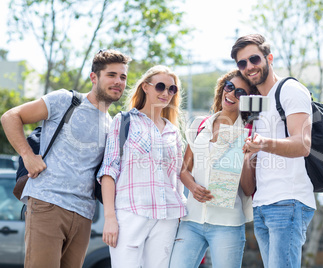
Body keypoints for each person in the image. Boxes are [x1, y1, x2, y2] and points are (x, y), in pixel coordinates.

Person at [0, 49, 131, 267]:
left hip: (84, 215)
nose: (118, 81)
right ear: (94, 77)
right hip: (48, 203)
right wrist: (28, 156)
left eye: (123, 76)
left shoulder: (112, 125)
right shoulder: (66, 100)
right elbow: (11, 116)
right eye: (112, 75)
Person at [231, 34, 316, 267]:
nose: (249, 66)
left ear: (269, 58)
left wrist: (263, 143)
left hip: (288, 201)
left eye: (254, 59)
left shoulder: (290, 89)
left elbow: (303, 144)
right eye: (242, 63)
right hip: (262, 205)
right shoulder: (257, 101)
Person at [97, 65, 186, 267]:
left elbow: (179, 177)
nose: (166, 93)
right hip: (131, 214)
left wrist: (181, 210)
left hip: (167, 217)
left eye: (172, 89)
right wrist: (110, 218)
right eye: (161, 87)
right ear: (146, 87)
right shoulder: (124, 121)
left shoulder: (173, 132)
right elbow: (109, 171)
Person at [169, 69, 258, 268]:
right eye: (230, 87)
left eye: (241, 93)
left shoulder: (249, 131)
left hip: (228, 224)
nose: (232, 94)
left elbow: (247, 189)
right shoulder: (199, 124)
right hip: (191, 220)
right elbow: (184, 169)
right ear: (222, 88)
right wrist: (192, 187)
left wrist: (246, 157)